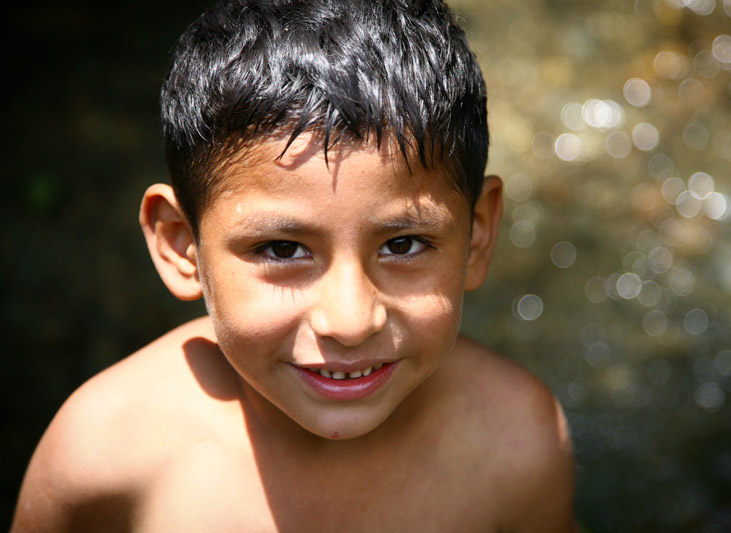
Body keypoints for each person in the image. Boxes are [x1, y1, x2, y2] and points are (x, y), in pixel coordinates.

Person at [12, 0, 575, 531]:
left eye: (403, 244)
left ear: (476, 234)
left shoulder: (518, 442)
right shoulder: (103, 456)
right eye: (282, 250)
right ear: (183, 245)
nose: (351, 322)